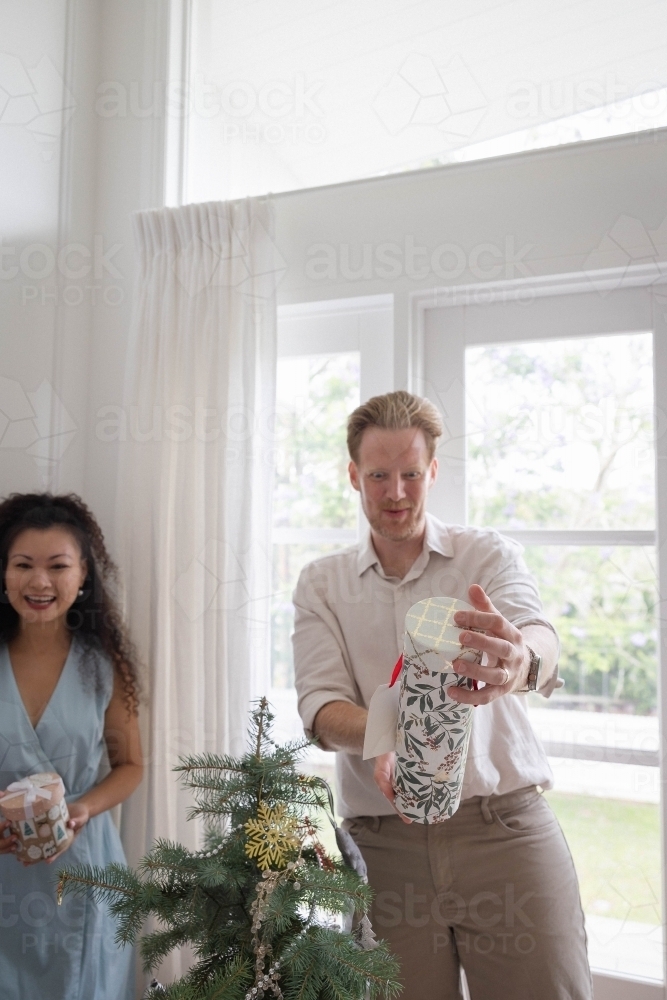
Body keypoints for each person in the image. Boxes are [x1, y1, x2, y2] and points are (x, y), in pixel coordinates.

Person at [292, 391, 592, 1000]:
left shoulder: (487, 555)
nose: (396, 492)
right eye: (378, 475)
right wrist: (388, 734)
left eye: (409, 474)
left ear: (432, 471)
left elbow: (540, 638)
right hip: (384, 844)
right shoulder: (322, 584)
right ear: (354, 476)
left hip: (503, 828)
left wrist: (519, 662)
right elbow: (320, 711)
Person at [0, 492, 143, 1000]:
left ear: (84, 575)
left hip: (82, 871)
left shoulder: (104, 665)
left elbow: (130, 766)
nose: (40, 582)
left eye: (58, 566)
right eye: (23, 565)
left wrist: (82, 809)